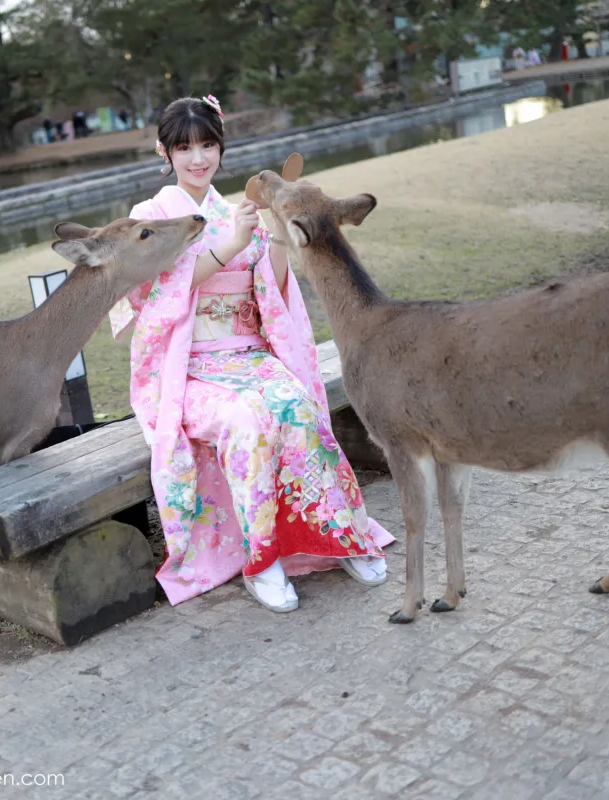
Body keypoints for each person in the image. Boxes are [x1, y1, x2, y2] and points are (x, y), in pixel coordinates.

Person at [108, 95, 395, 613]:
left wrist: (276, 236)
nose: (198, 158)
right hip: (189, 367)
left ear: (221, 148)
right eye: (184, 148)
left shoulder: (237, 209)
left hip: (247, 352)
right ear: (164, 152)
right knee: (246, 421)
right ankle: (262, 562)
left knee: (298, 406)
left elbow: (275, 292)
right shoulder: (149, 216)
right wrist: (228, 248)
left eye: (207, 145)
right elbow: (148, 298)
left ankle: (337, 536)